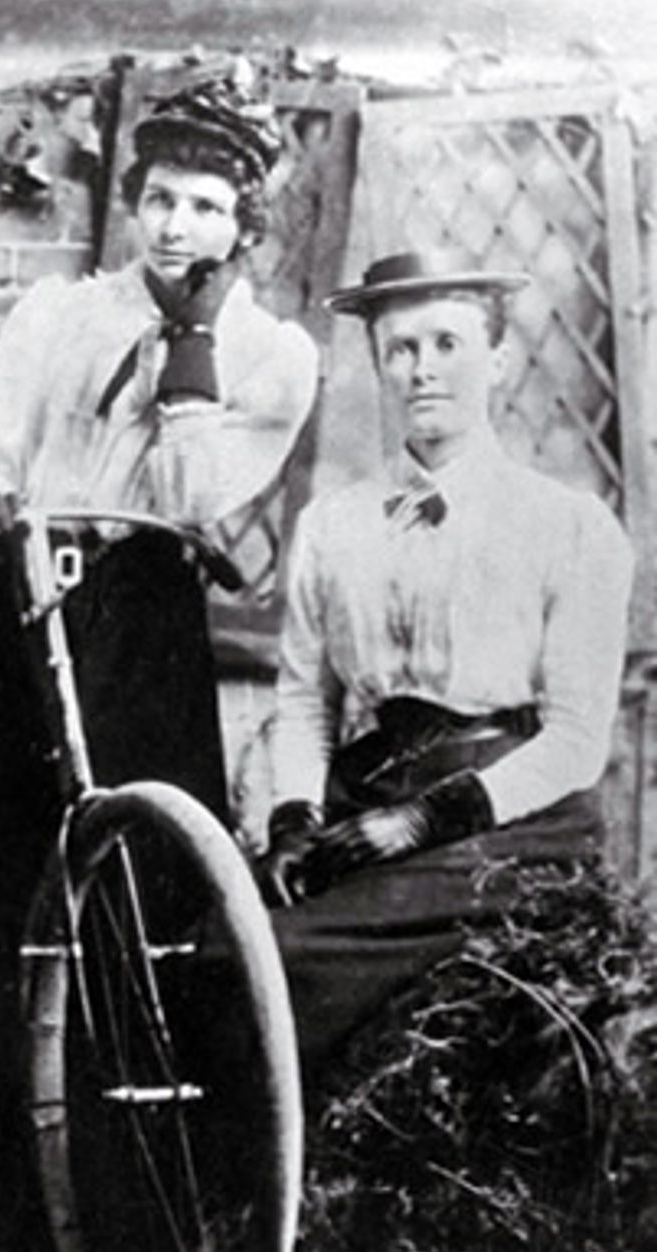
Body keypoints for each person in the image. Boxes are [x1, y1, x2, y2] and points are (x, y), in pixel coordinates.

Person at [0, 73, 319, 980]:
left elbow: (188, 492)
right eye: (158, 201)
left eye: (204, 207)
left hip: (141, 615)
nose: (174, 228)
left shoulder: (273, 357)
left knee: (140, 852)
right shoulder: (60, 315)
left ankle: (136, 1100)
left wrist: (192, 342)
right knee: (15, 844)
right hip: (27, 588)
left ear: (245, 229)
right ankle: (21, 1101)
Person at [259, 249, 633, 1069]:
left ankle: (303, 1185)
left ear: (496, 359)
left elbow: (575, 741)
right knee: (218, 935)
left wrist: (422, 821)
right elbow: (304, 702)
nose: (422, 369)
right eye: (400, 348)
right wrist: (293, 819)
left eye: (447, 344)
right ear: (379, 365)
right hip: (368, 793)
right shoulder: (334, 525)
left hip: (512, 826)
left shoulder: (570, 527)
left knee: (274, 964)